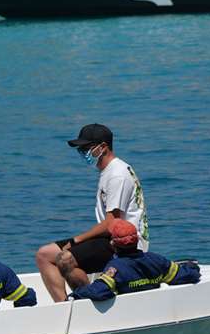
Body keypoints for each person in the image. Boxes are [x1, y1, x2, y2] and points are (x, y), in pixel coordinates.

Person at [35, 122, 149, 303]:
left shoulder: (117, 174)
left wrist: (76, 241)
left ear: (103, 147)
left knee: (65, 260)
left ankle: (89, 301)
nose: (82, 153)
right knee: (44, 255)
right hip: (108, 237)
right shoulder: (108, 172)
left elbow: (112, 223)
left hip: (125, 242)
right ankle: (63, 307)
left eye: (86, 148)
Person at [69, 219, 199, 302]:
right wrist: (192, 266)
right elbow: (188, 275)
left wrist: (75, 294)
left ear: (113, 245)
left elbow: (98, 292)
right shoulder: (156, 260)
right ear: (136, 241)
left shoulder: (115, 268)